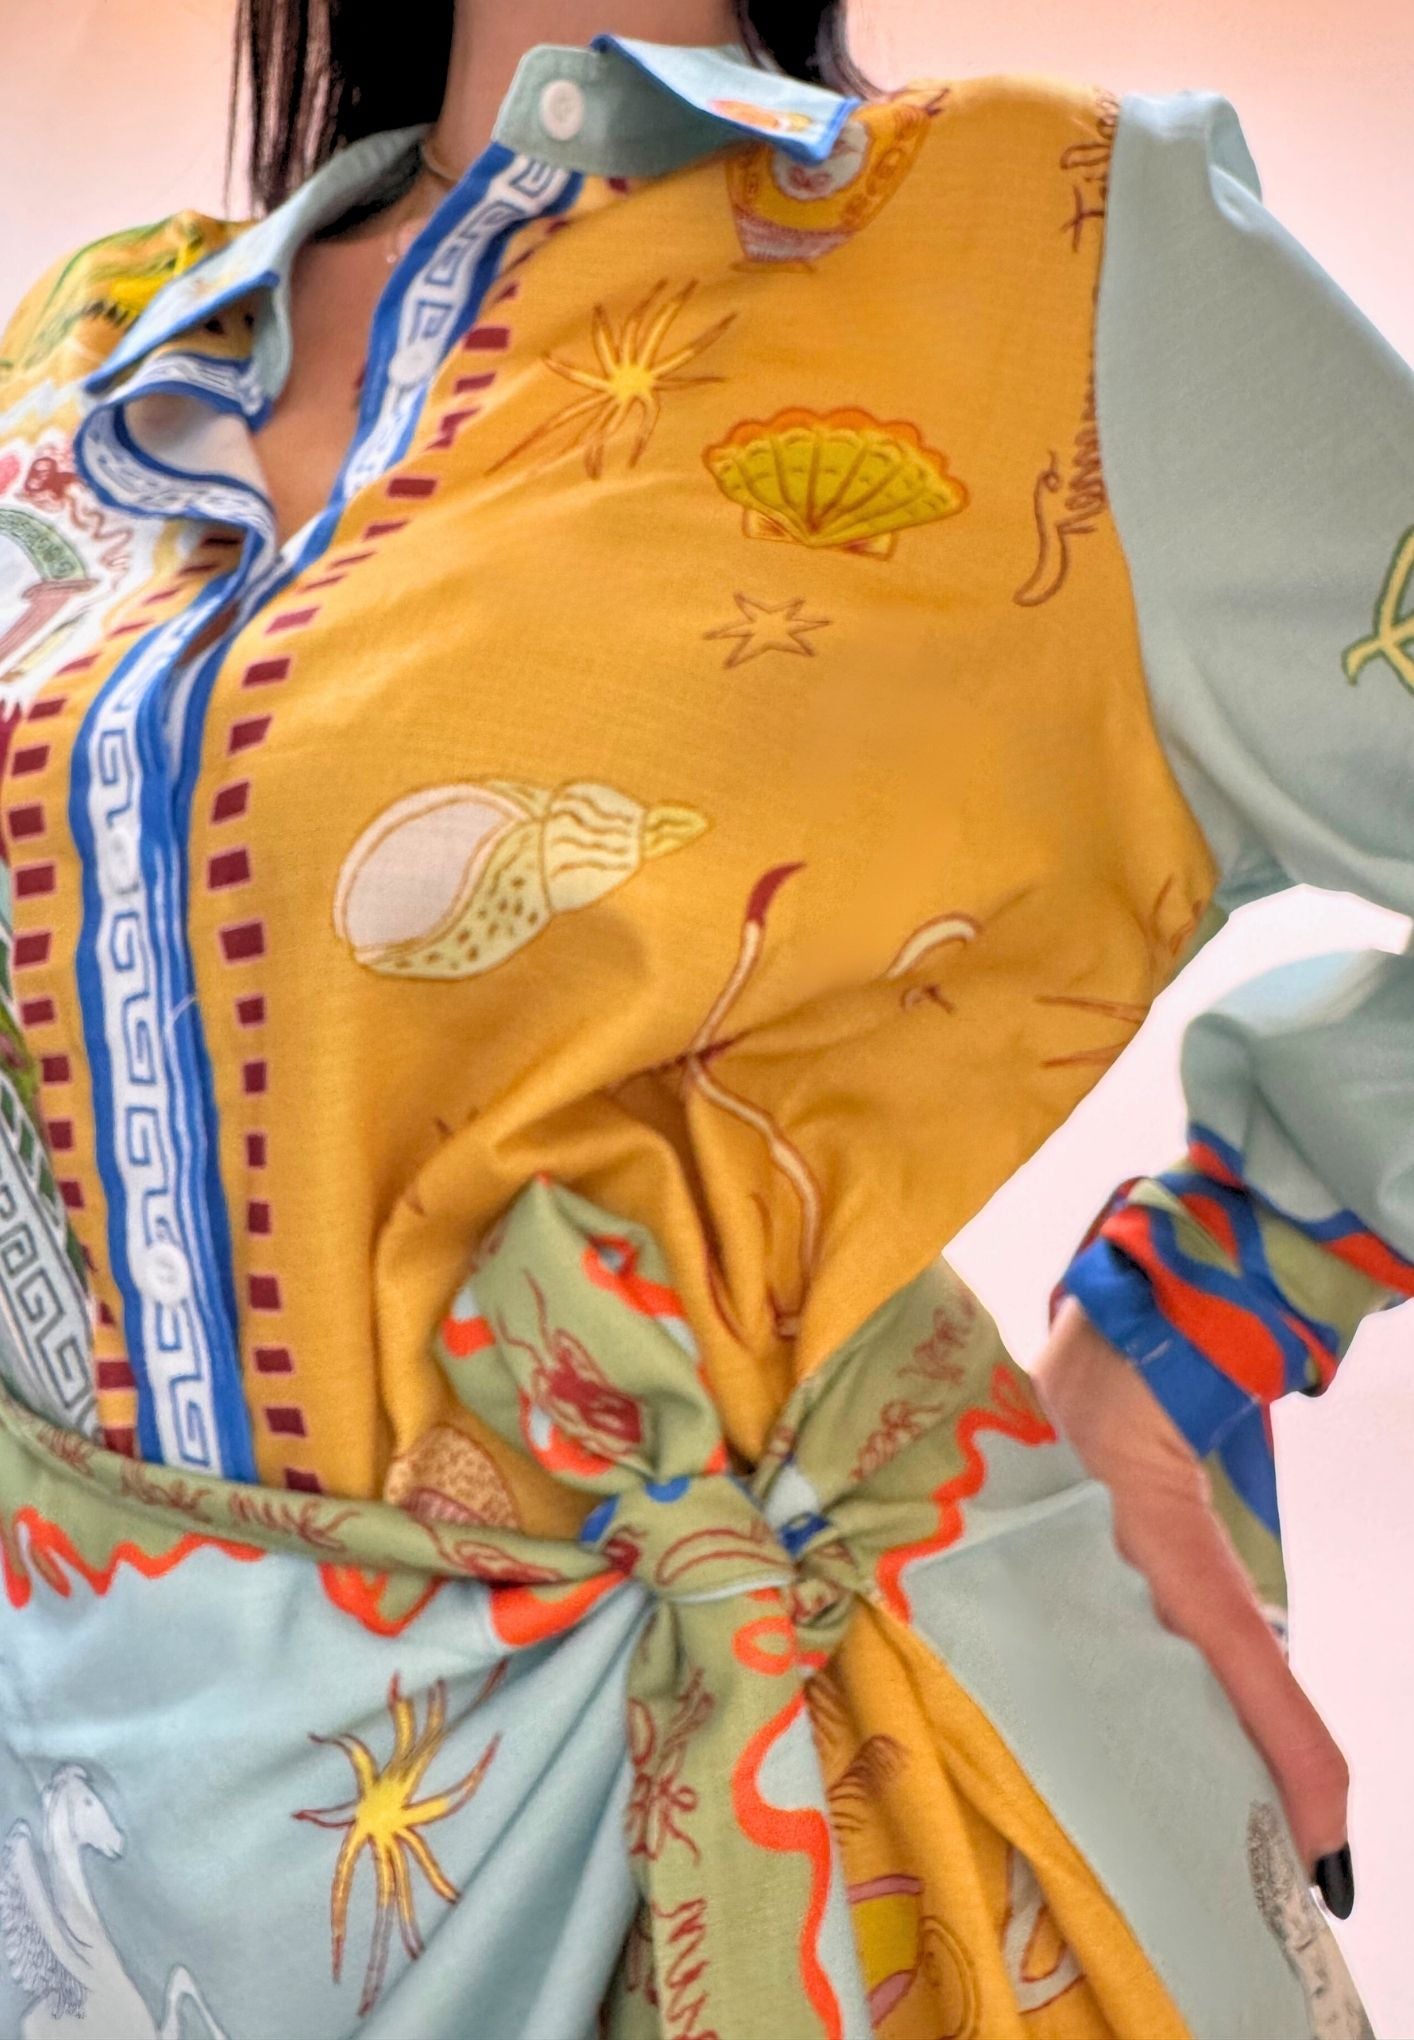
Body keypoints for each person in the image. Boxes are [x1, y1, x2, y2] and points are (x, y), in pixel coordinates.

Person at [0, 0, 1407, 2032]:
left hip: (854, 1838)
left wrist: (1188, 1326)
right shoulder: (88, 355)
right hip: (114, 1883)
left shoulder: (1047, 243)